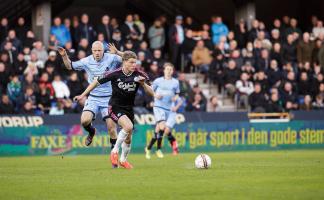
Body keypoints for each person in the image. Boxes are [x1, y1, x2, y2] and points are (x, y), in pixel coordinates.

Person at [74, 51, 154, 169]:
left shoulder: (139, 74)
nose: (134, 65)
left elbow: (152, 93)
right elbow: (96, 82)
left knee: (128, 137)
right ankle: (114, 151)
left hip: (128, 108)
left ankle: (123, 160)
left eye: (135, 62)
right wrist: (82, 95)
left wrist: (143, 84)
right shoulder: (114, 73)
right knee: (128, 127)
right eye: (131, 62)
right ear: (124, 62)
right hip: (114, 106)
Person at [57, 41, 121, 153]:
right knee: (85, 121)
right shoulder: (86, 61)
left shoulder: (112, 58)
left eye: (99, 50)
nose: (97, 53)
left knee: (111, 128)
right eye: (95, 50)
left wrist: (118, 52)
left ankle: (113, 154)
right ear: (92, 51)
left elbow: (131, 58)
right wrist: (64, 56)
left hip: (109, 98)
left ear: (103, 51)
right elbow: (69, 66)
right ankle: (92, 131)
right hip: (93, 97)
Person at [145, 63, 181, 159]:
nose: (169, 71)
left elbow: (177, 93)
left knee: (158, 130)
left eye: (171, 69)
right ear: (164, 70)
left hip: (168, 108)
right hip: (158, 106)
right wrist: (155, 95)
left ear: (172, 71)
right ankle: (158, 149)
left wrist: (175, 98)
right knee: (162, 126)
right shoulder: (158, 81)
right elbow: (150, 90)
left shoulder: (175, 82)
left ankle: (148, 148)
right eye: (167, 69)